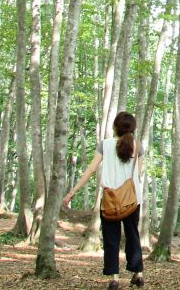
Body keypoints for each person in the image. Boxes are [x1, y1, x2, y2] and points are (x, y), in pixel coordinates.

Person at [63, 112, 145, 289]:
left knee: (111, 239)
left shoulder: (105, 145)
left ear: (115, 127)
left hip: (110, 199)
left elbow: (91, 169)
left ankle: (114, 278)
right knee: (133, 236)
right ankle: (138, 273)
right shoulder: (138, 146)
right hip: (132, 200)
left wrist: (72, 192)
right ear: (133, 128)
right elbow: (138, 174)